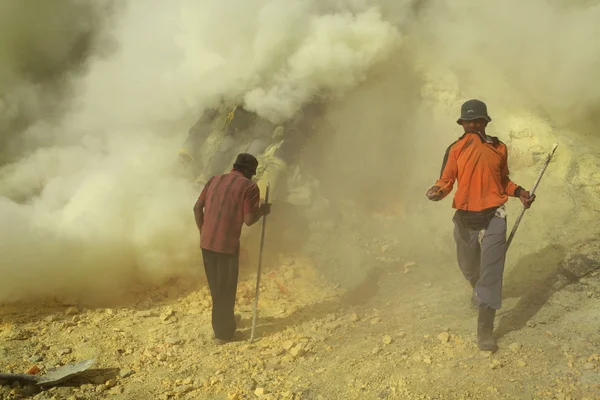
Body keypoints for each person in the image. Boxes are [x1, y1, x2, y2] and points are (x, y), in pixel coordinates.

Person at [425, 99, 536, 352]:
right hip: (464, 219)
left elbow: (503, 181)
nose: (473, 125)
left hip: (493, 216)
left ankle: (485, 330)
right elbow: (446, 180)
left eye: (477, 120)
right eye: (468, 121)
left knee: (490, 274)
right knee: (468, 267)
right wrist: (437, 191)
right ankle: (479, 291)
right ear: (462, 124)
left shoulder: (499, 148)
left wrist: (520, 192)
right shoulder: (455, 149)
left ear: (486, 122)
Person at [193, 153, 271, 345]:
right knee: (226, 289)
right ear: (250, 172)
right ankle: (223, 334)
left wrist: (203, 231)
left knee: (216, 287)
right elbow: (249, 220)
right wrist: (263, 210)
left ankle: (224, 321)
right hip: (226, 247)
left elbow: (197, 208)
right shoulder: (249, 187)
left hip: (206, 243)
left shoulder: (214, 180)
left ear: (234, 166)